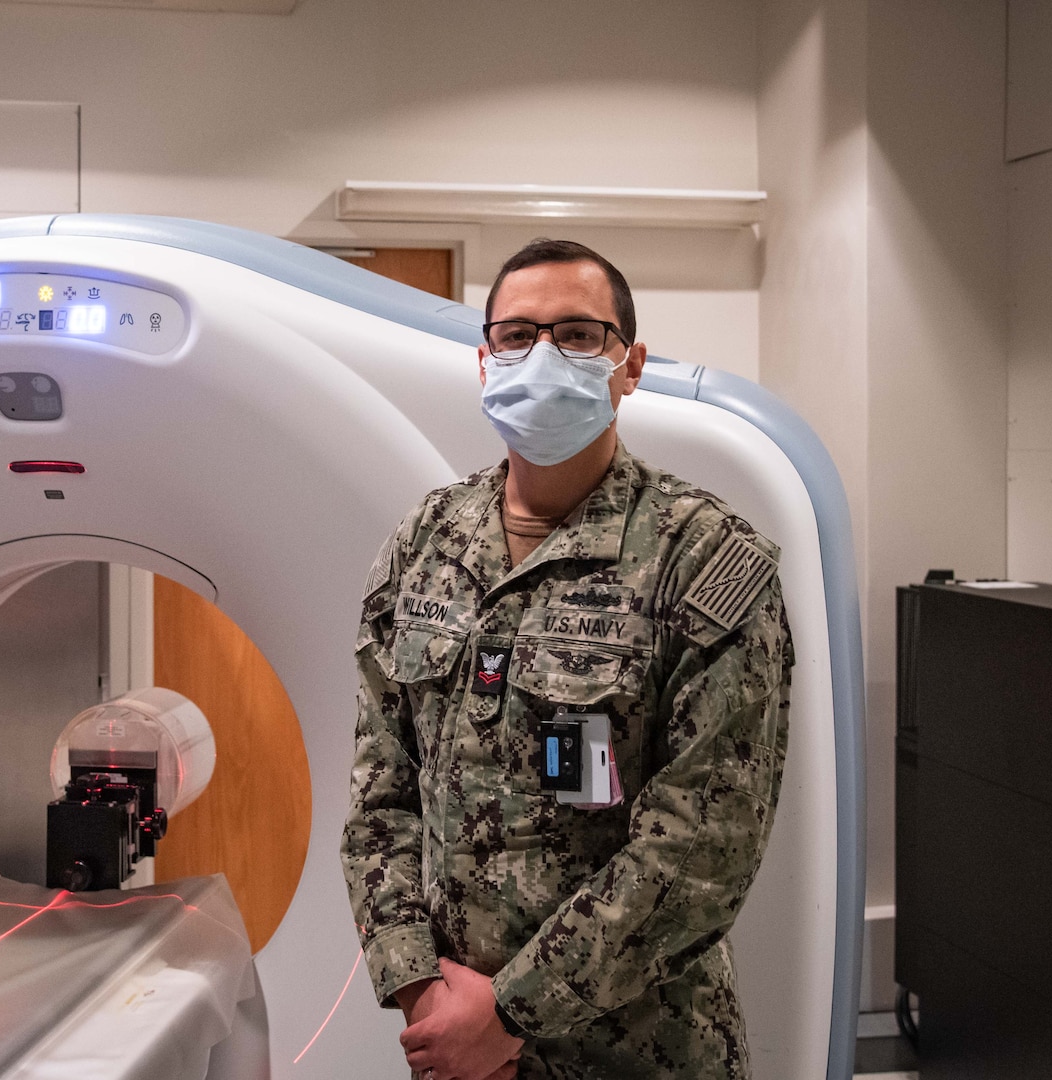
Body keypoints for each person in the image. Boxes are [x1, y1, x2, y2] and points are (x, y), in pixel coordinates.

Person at [340, 239, 793, 1080]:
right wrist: (424, 996)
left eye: (579, 335)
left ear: (631, 365)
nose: (542, 355)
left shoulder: (703, 560)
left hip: (640, 1053)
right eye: (517, 335)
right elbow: (379, 797)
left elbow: (705, 846)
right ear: (485, 361)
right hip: (456, 1051)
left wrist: (510, 1016)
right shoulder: (424, 543)